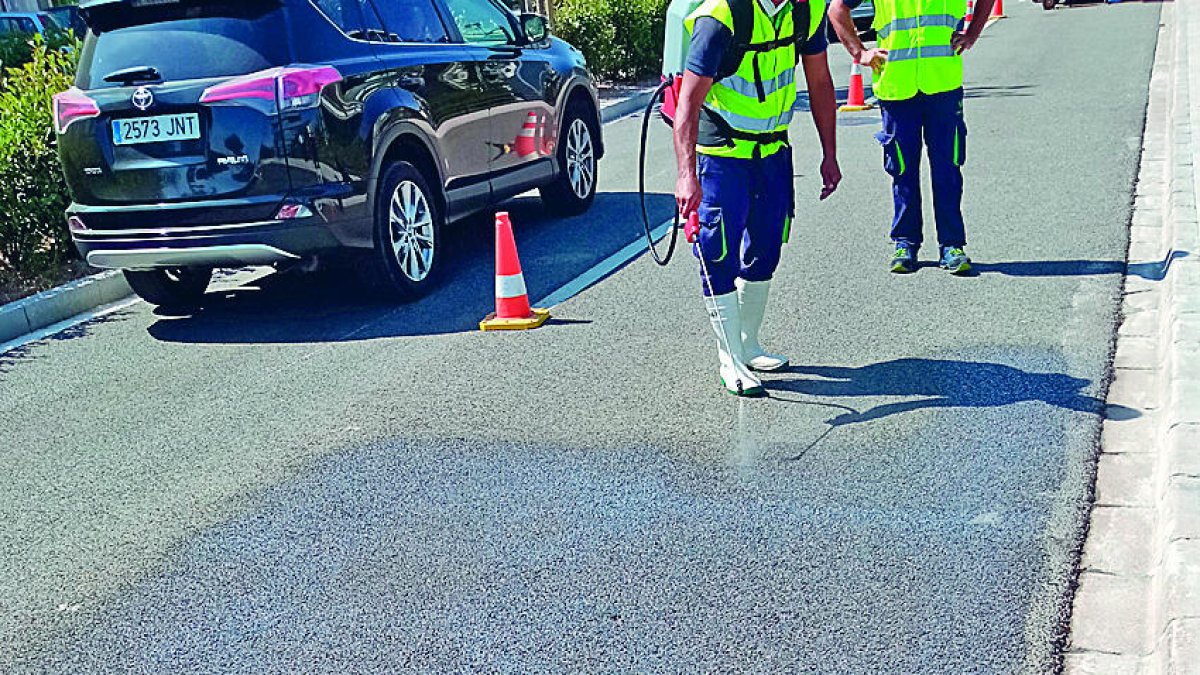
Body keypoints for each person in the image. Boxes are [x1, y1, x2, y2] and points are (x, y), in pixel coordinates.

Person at [674, 0, 841, 397]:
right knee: (717, 253)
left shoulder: (806, 10)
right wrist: (686, 176)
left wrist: (829, 153)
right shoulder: (721, 18)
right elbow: (688, 102)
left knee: (766, 250)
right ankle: (729, 358)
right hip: (723, 157)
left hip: (773, 152)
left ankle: (747, 343)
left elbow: (819, 82)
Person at [828, 0, 993, 274]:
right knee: (902, 171)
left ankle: (952, 245)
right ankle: (905, 243)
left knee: (948, 170)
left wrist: (972, 34)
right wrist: (860, 52)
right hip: (896, 88)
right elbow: (837, 9)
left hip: (942, 83)